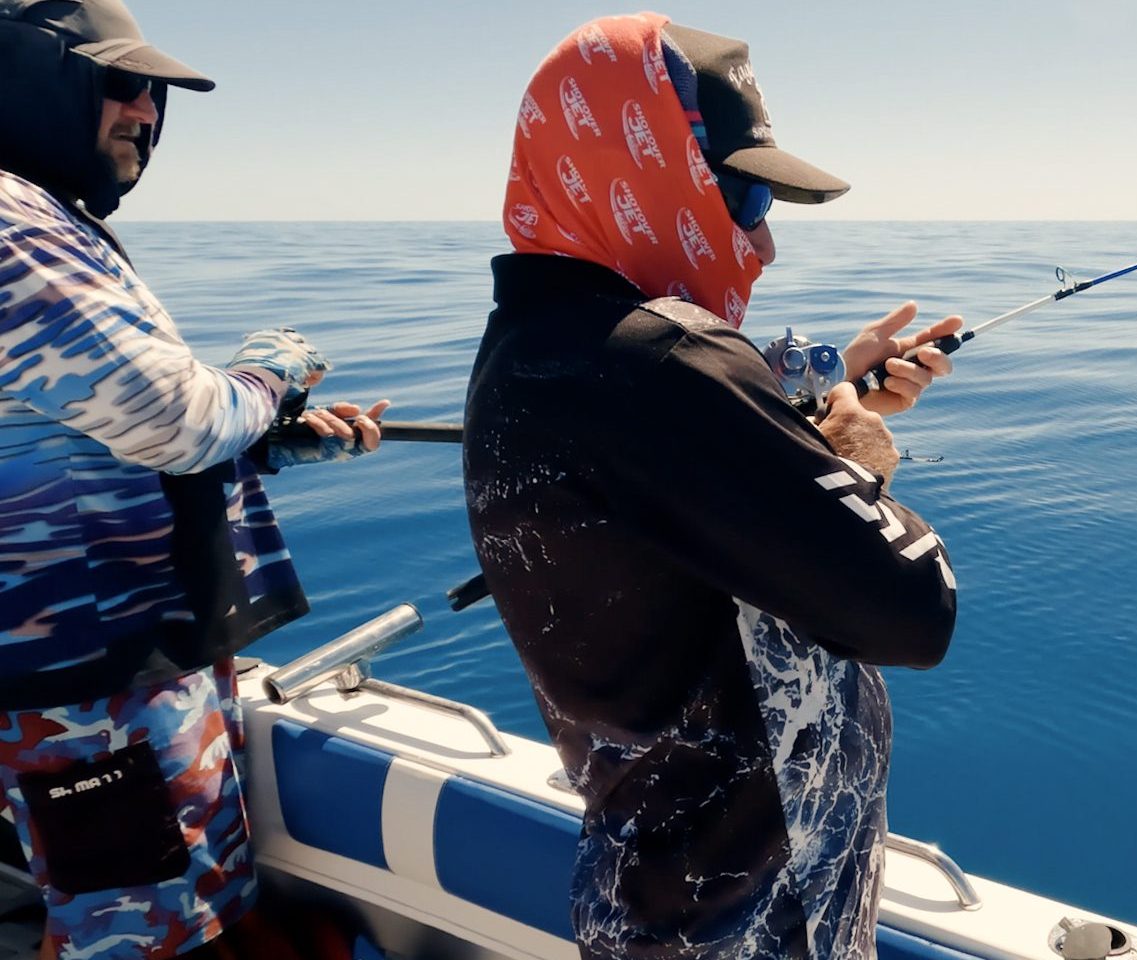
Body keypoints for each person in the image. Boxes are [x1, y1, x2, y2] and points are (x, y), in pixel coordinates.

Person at [464, 13, 959, 960]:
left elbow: (672, 467)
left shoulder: (534, 344)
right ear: (637, 162)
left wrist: (811, 393)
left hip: (646, 900)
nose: (764, 246)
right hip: (759, 925)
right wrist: (862, 464)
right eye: (741, 196)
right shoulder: (668, 364)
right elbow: (915, 612)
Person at [0, 2, 389, 957]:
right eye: (116, 83)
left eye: (156, 92)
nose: (145, 110)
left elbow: (85, 426)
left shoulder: (46, 219)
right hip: (86, 693)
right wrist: (274, 371)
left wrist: (265, 444)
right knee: (136, 938)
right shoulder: (10, 223)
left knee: (178, 915)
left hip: (115, 673)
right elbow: (178, 416)